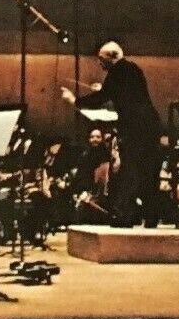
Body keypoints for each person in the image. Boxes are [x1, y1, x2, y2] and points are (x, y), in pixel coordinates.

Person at [61, 42, 163, 227]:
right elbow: (124, 97)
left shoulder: (117, 71)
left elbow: (101, 99)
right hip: (149, 125)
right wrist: (106, 90)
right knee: (147, 171)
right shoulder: (132, 69)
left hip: (136, 129)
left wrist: (74, 100)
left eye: (101, 59)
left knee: (128, 171)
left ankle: (124, 217)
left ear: (112, 56)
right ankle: (150, 217)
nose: (99, 63)